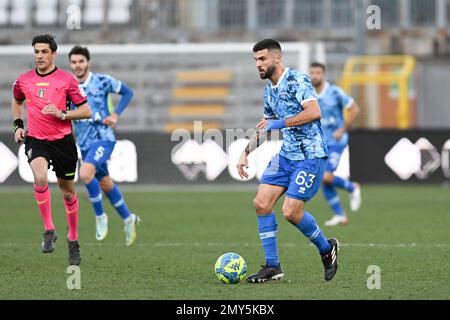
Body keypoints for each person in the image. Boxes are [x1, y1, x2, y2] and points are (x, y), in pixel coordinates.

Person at [237, 39, 339, 283]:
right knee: (261, 203)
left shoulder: (297, 80)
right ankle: (273, 267)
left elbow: (315, 112)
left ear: (277, 59)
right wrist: (246, 151)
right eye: (255, 61)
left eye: (262, 59)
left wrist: (280, 123)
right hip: (287, 156)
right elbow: (266, 126)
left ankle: (327, 249)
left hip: (311, 155)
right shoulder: (269, 90)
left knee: (291, 212)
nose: (258, 65)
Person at [12, 34, 92, 265]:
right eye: (36, 51)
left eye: (44, 51)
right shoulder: (23, 80)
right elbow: (16, 101)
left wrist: (63, 114)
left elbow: (86, 111)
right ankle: (49, 229)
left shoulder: (66, 80)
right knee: (39, 176)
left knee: (67, 192)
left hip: (63, 142)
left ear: (53, 54)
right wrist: (18, 125)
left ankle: (73, 239)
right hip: (36, 140)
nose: (39, 56)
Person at [68, 45, 140, 246]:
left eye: (81, 61)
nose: (78, 65)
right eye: (74, 62)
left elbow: (127, 92)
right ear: (70, 64)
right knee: (106, 183)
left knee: (85, 173)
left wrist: (115, 114)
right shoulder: (68, 86)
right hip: (83, 143)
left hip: (103, 138)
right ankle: (128, 218)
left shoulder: (102, 81)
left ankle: (100, 217)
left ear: (88, 62)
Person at [309, 62, 361, 227]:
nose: (315, 76)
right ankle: (340, 215)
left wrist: (343, 129)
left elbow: (354, 109)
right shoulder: (308, 94)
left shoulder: (335, 92)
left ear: (323, 74)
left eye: (318, 72)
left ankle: (352, 187)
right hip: (319, 144)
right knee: (323, 179)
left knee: (325, 176)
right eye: (312, 73)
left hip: (336, 141)